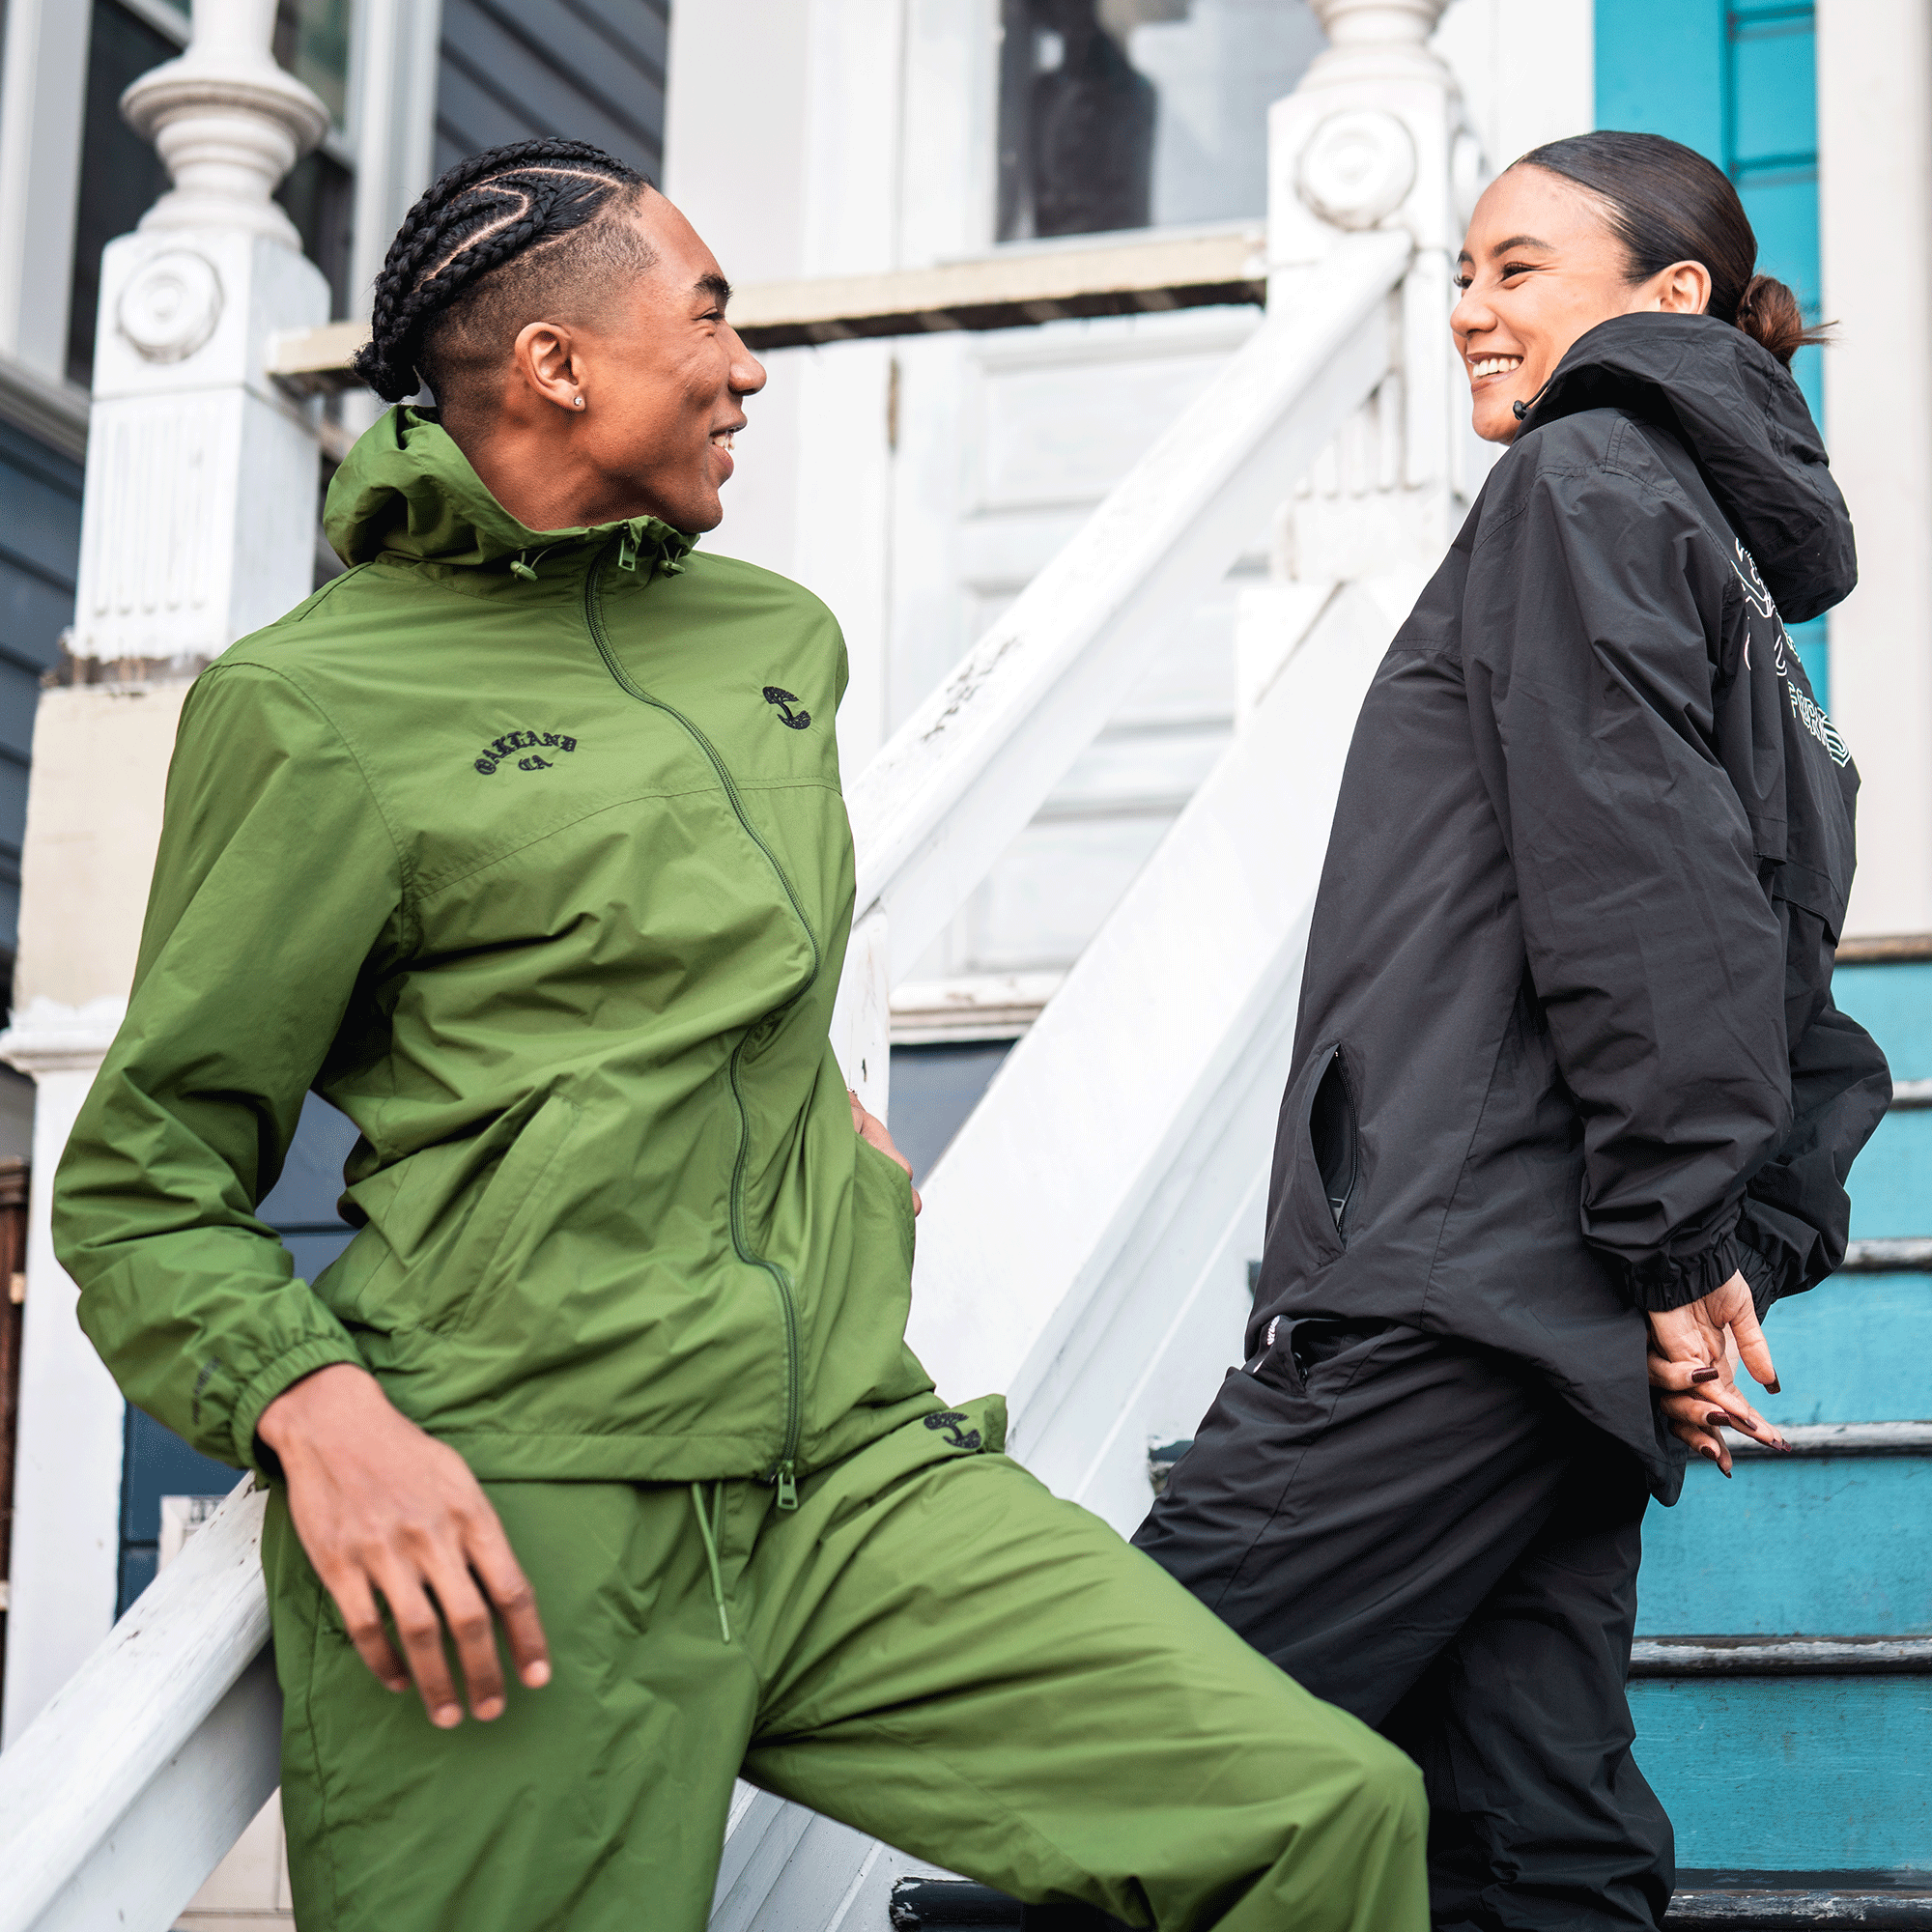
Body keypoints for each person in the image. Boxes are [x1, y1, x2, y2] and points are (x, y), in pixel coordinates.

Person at [53, 141, 1427, 1932]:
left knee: (1320, 1816)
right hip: (525, 1519)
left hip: (844, 1473)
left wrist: (815, 1124)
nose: (747, 366)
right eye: (708, 317)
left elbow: (693, 978)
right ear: (557, 366)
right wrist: (316, 1411)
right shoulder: (312, 706)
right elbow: (144, 1181)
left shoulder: (774, 643)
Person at [1133, 130, 1890, 1932]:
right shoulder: (1734, 579)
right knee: (1532, 1837)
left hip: (1454, 1292)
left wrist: (1679, 1245)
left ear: (1669, 297)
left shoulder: (1583, 482)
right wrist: (1695, 1267)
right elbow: (1790, 994)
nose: (1469, 309)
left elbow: (1651, 899)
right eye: (1462, 273)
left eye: (1517, 269)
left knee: (1111, 1744)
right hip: (1553, 1307)